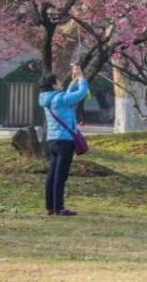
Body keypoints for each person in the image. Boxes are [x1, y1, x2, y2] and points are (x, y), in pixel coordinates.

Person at [39, 64, 88, 217]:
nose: (61, 82)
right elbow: (82, 93)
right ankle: (59, 208)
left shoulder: (48, 99)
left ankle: (50, 207)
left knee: (52, 174)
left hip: (53, 141)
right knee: (61, 175)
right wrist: (81, 78)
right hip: (65, 142)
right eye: (58, 81)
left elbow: (68, 96)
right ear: (54, 85)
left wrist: (74, 81)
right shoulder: (59, 99)